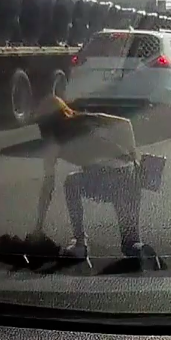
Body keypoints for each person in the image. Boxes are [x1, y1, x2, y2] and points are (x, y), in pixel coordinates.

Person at [32, 95, 161, 269]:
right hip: (129, 176)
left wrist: (38, 227)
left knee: (71, 183)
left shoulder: (52, 142)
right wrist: (133, 156)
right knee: (130, 243)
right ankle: (142, 251)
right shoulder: (87, 118)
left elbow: (48, 185)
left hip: (107, 178)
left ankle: (80, 244)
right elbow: (125, 123)